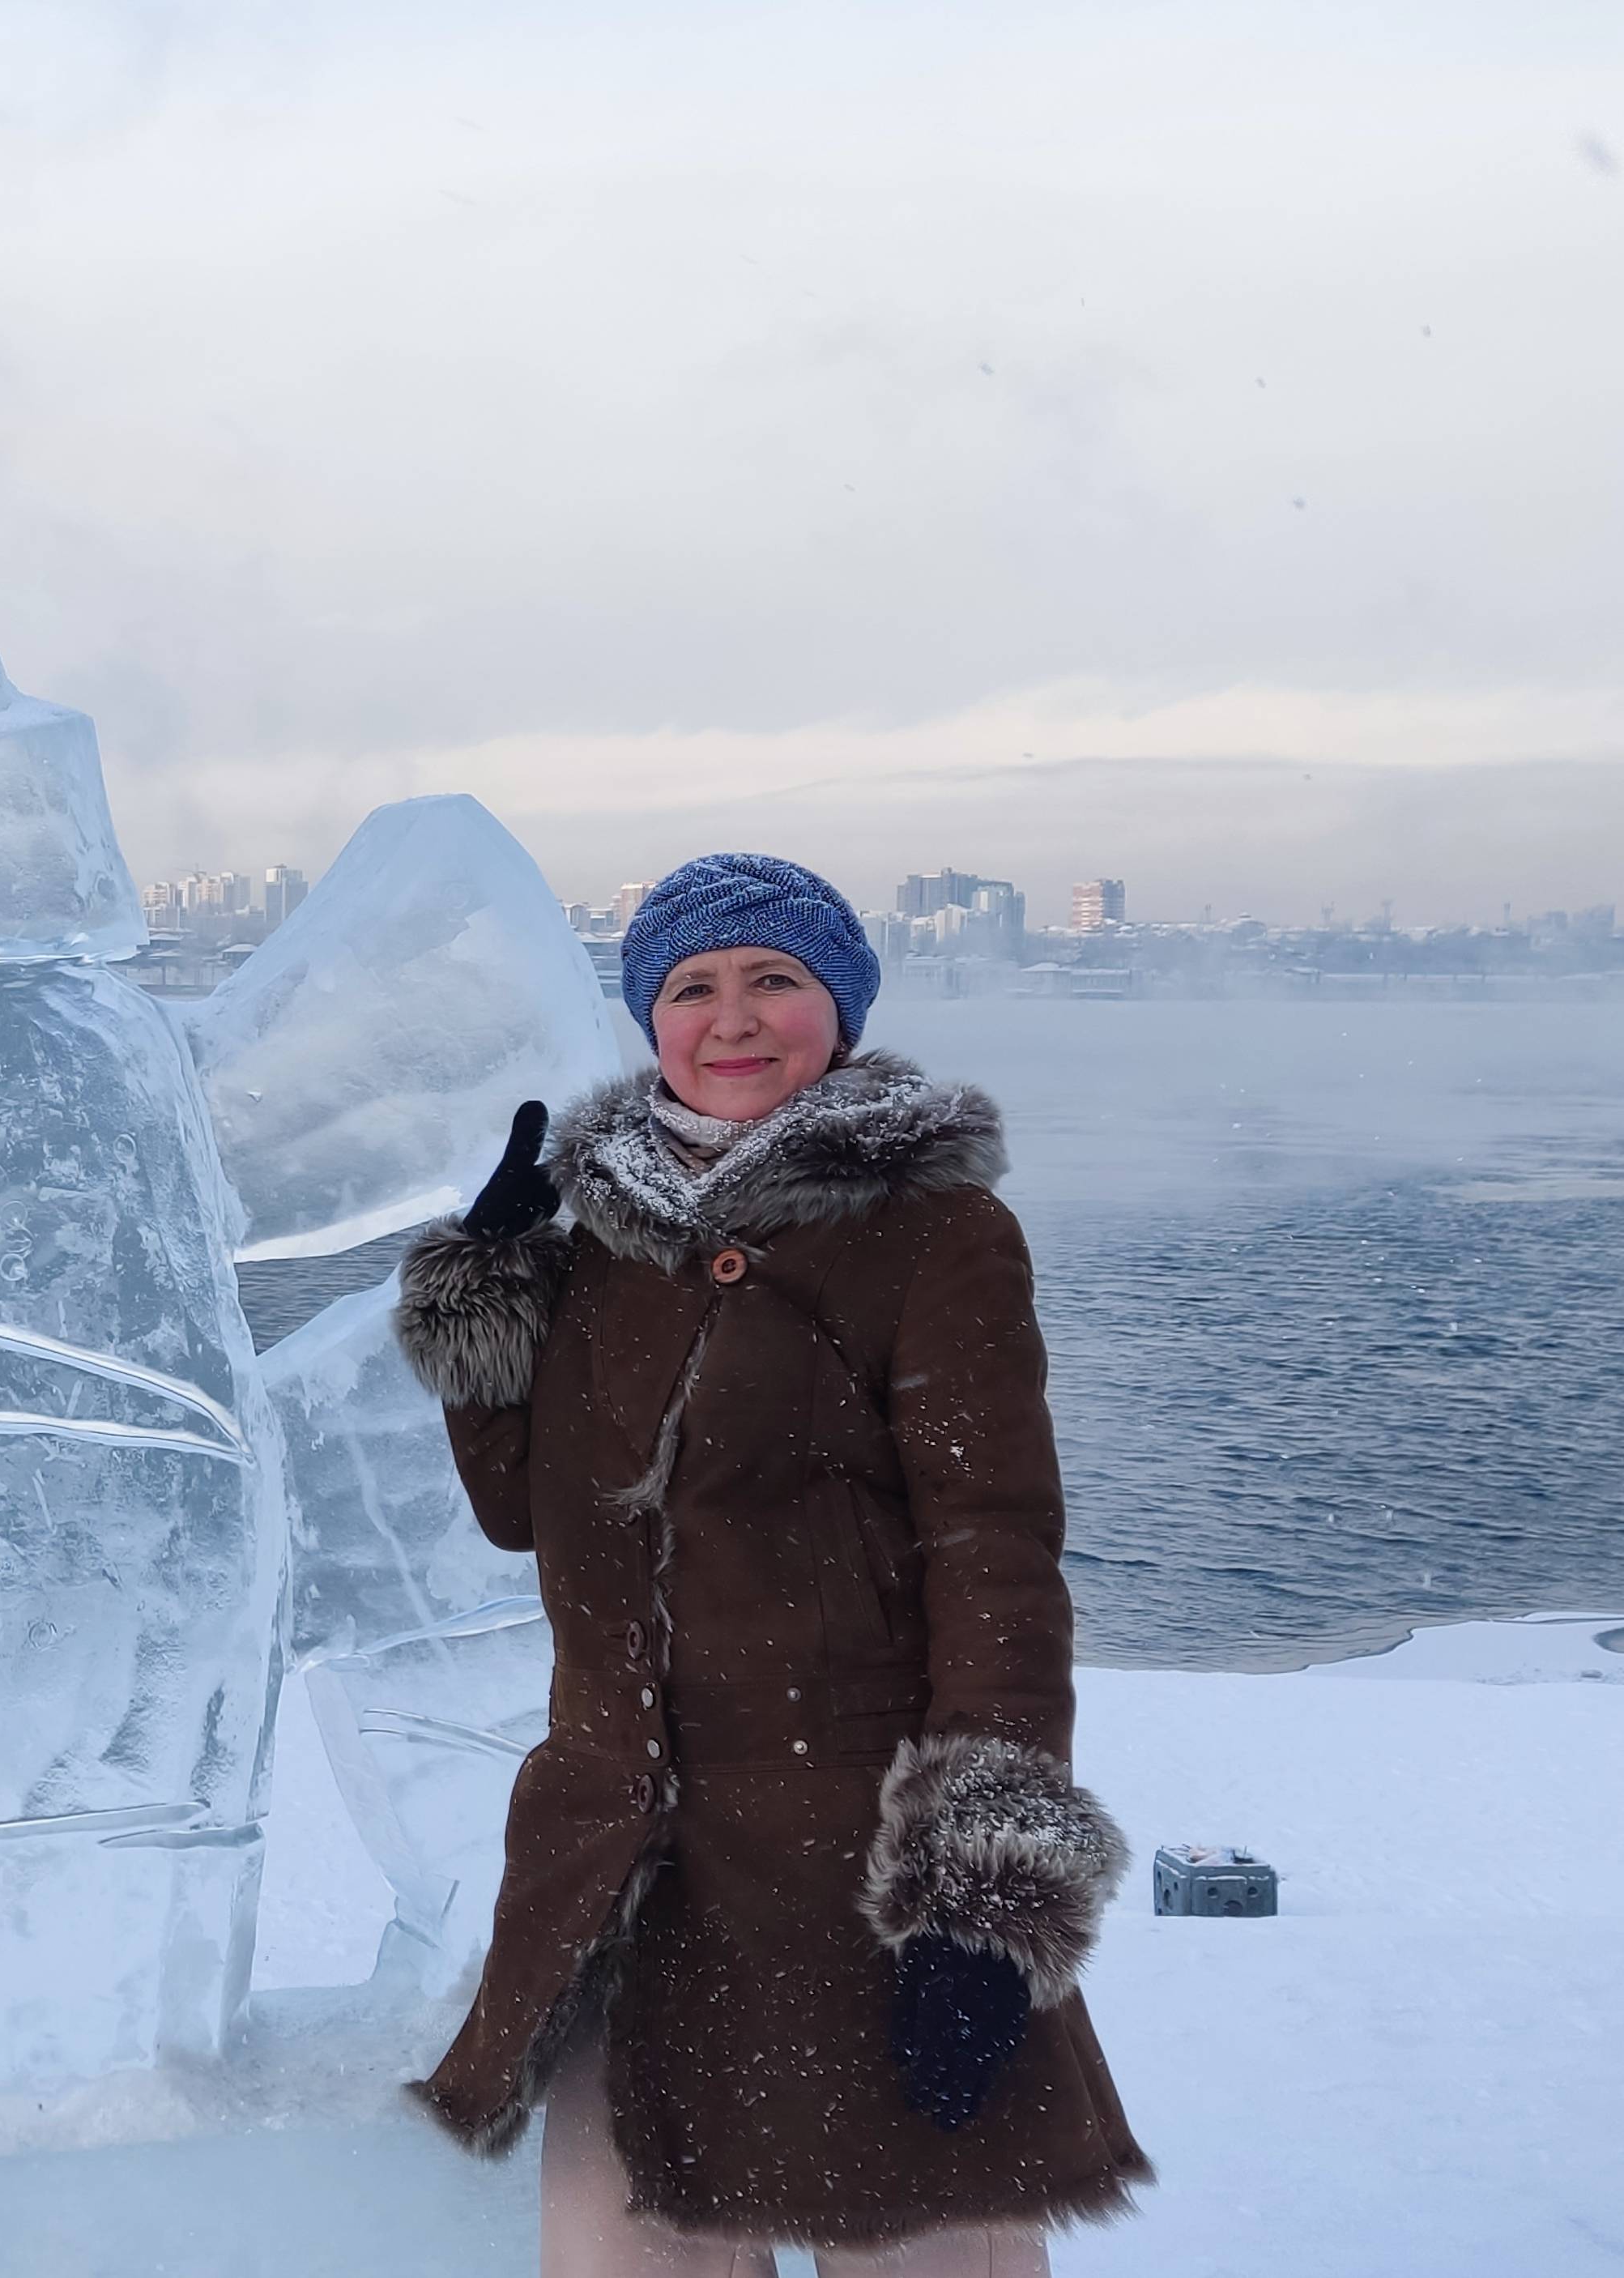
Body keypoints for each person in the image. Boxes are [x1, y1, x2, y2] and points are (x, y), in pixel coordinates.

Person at [391, 852, 1151, 2276]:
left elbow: (991, 1551)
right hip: (629, 1867)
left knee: (918, 2247)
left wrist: (982, 1891)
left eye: (773, 980)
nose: (732, 1018)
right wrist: (485, 1289)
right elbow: (522, 1512)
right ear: (651, 1022)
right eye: (692, 987)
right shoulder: (597, 1243)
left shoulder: (934, 1232)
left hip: (857, 1867)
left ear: (841, 1011)